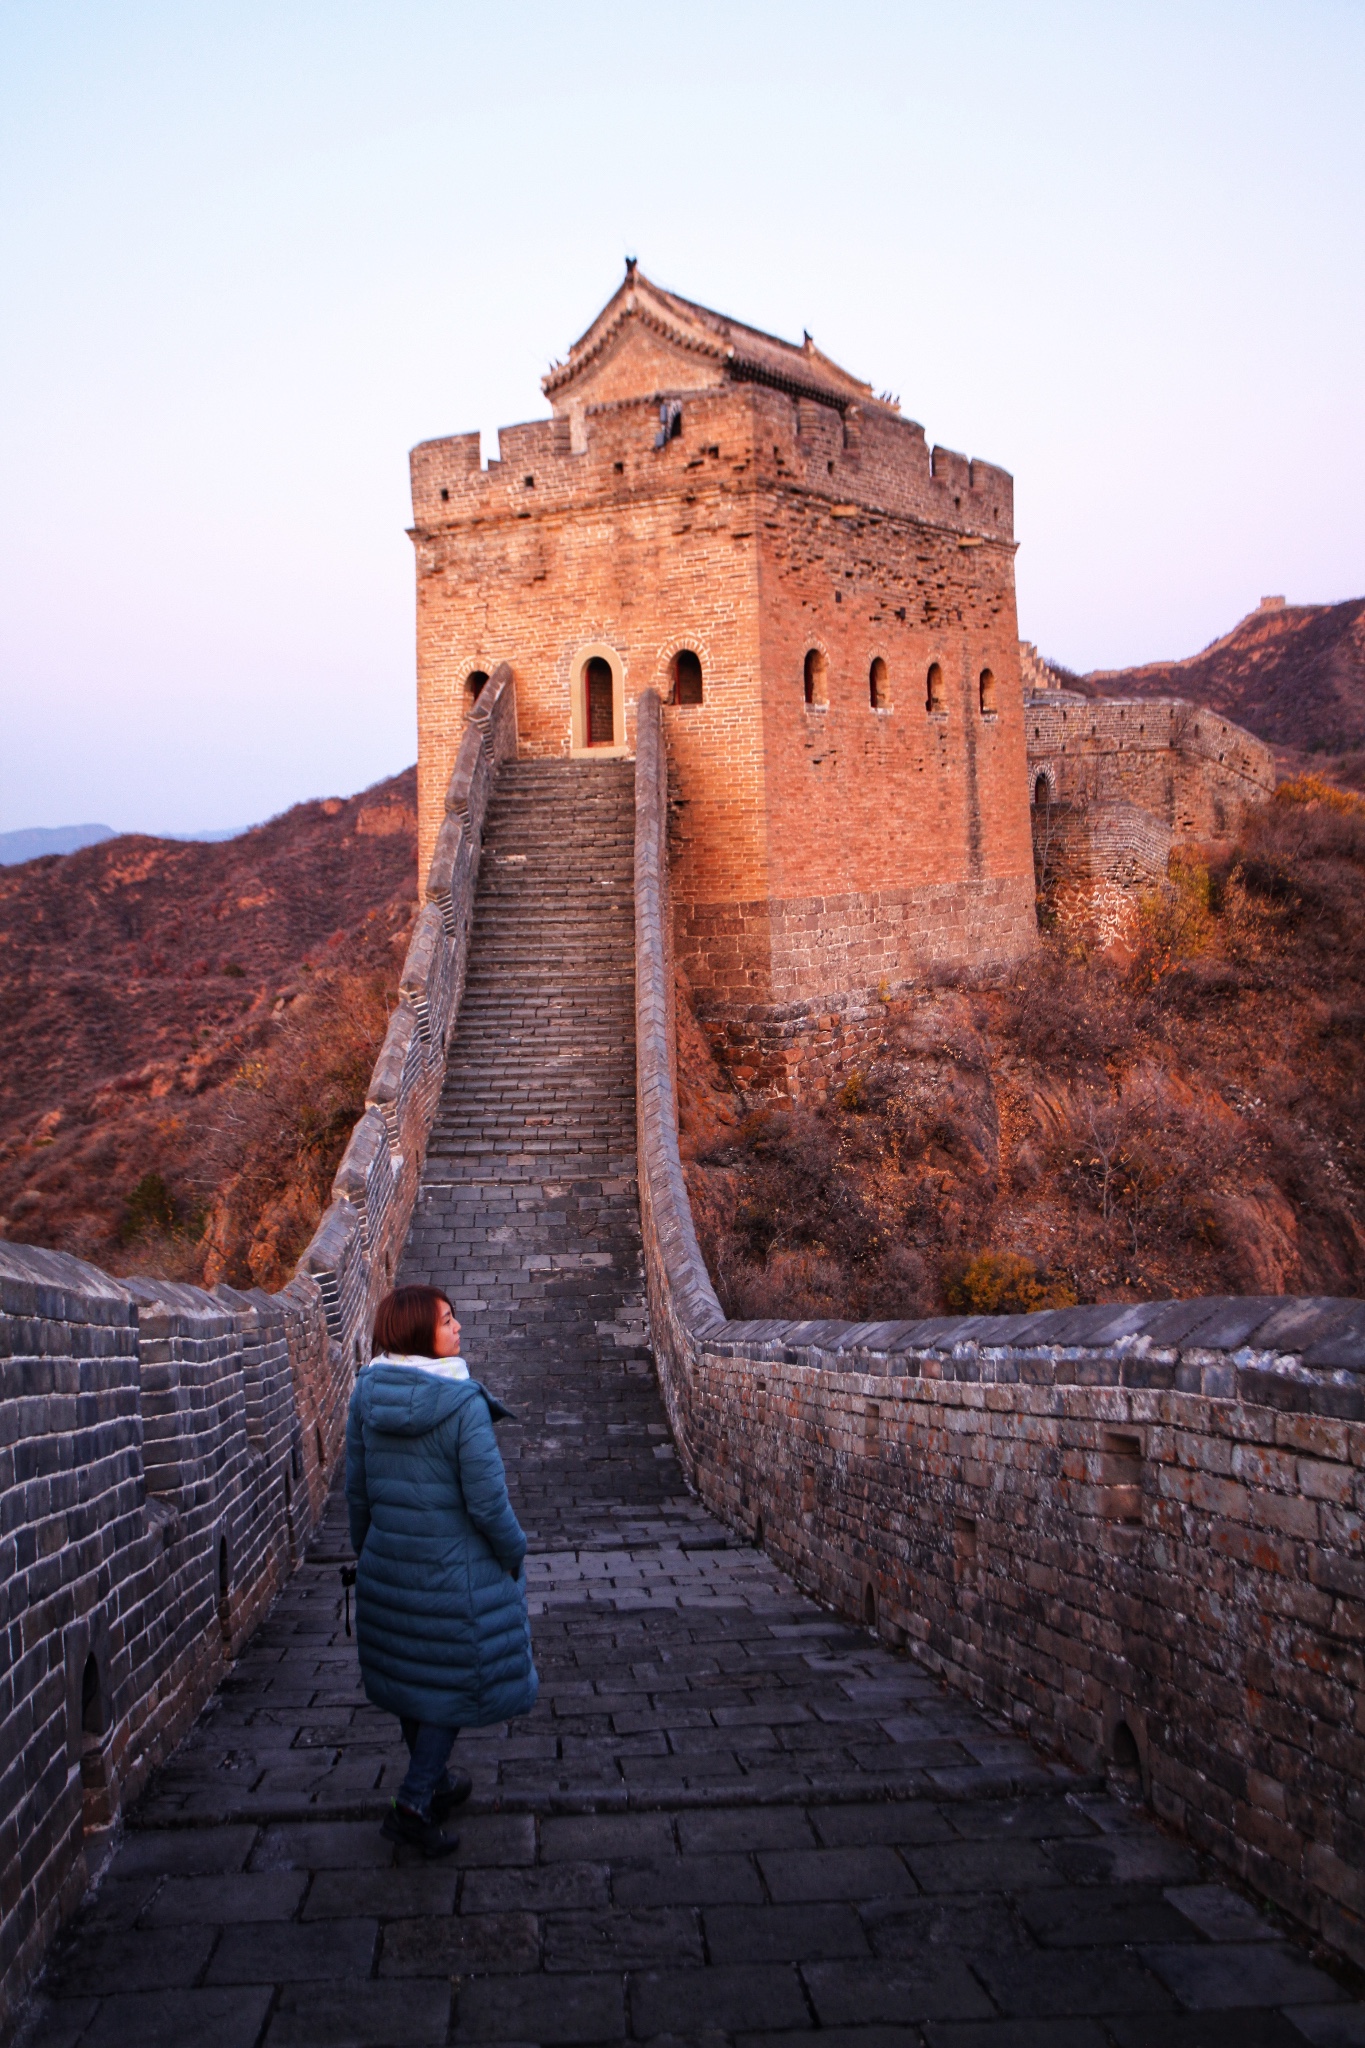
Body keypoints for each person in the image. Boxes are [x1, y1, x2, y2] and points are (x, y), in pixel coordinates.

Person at [345, 1284, 538, 1856]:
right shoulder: (463, 1404)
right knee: (454, 1679)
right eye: (447, 1321)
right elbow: (488, 1503)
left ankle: (434, 1780)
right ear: (418, 1335)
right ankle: (415, 1799)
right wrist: (514, 1551)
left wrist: (370, 1556)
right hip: (454, 1579)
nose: (458, 1328)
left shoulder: (365, 1393)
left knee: (415, 1679)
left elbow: (357, 1495)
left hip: (389, 1570)